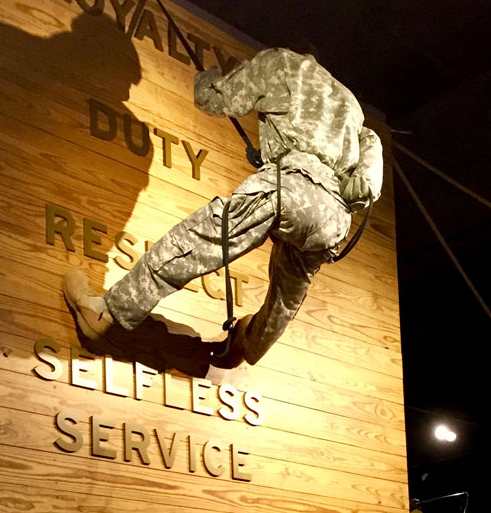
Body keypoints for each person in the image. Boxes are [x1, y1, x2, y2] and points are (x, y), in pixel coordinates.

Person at [63, 47, 383, 368]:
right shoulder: (352, 106)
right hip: (334, 218)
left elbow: (218, 100)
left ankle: (107, 312)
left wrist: (209, 79)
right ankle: (247, 346)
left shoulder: (284, 63)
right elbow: (367, 183)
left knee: (199, 240)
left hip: (288, 185)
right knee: (287, 293)